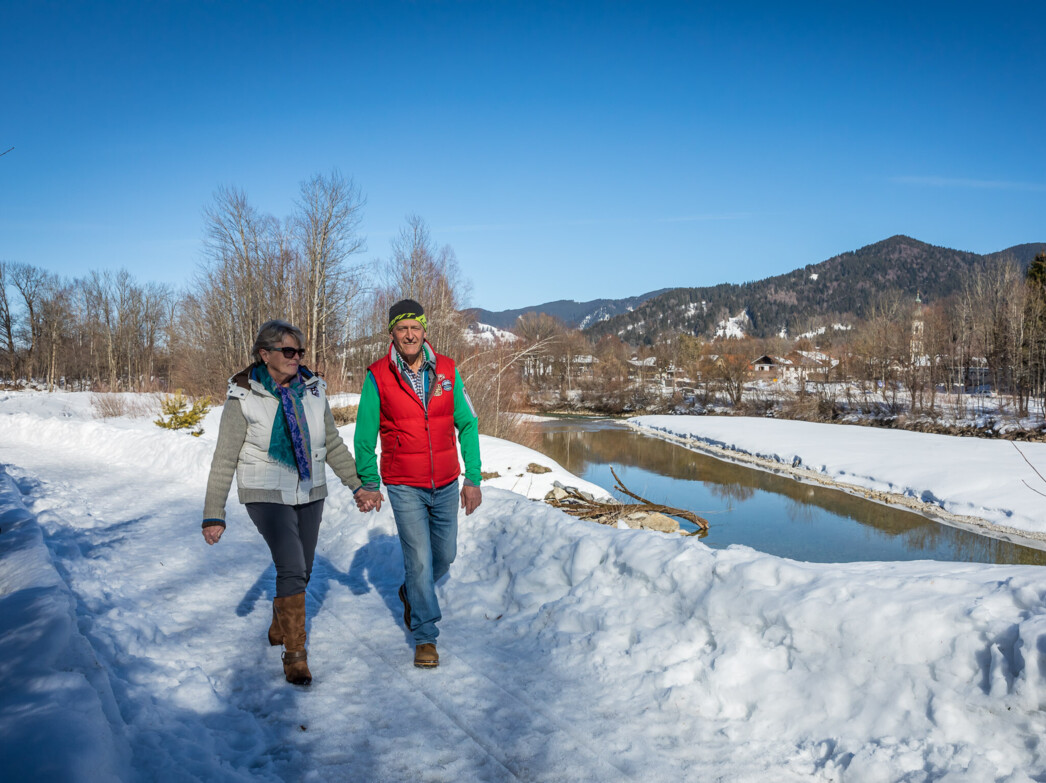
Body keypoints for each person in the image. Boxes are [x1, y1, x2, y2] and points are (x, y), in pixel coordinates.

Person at [201, 319, 375, 686]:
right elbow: (224, 457)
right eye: (288, 351)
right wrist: (213, 514)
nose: (297, 358)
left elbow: (331, 444)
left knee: (304, 569)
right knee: (293, 565)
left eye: (300, 352)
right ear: (265, 355)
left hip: (310, 490)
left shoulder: (313, 391)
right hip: (264, 492)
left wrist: (357, 486)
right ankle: (295, 654)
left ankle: (281, 623)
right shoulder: (243, 396)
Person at [354, 299, 482, 668]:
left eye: (415, 327)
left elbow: (468, 423)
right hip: (404, 484)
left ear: (425, 330)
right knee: (420, 561)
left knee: (446, 555)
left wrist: (472, 478)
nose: (409, 334)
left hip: (445, 481)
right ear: (391, 334)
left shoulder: (447, 370)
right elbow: (364, 435)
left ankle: (412, 593)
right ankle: (425, 636)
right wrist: (369, 480)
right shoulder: (378, 375)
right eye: (401, 328)